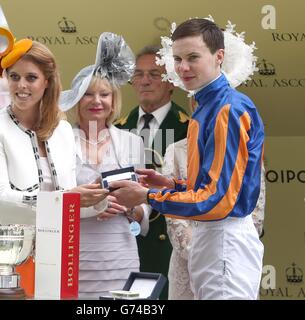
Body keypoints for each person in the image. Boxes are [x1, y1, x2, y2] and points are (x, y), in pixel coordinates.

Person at [110, 18, 265, 300]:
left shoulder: (226, 109)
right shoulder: (208, 107)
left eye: (193, 57)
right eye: (178, 58)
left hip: (224, 236)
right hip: (213, 236)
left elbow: (218, 200)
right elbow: (211, 185)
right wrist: (168, 184)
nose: (183, 67)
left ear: (219, 56)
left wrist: (148, 195)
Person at [0, 27, 108, 296]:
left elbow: (69, 205)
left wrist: (98, 198)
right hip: (3, 265)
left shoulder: (63, 130)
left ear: (47, 82)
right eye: (14, 77)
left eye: (31, 77)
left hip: (59, 259)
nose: (21, 85)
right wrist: (67, 198)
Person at [60, 32, 150, 299]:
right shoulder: (59, 141)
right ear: (76, 100)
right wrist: (88, 201)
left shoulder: (132, 142)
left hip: (121, 254)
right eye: (87, 94)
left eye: (104, 94)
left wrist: (133, 209)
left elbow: (145, 201)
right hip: (75, 255)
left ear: (113, 102)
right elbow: (52, 198)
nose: (96, 101)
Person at [115, 45, 189, 299]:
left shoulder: (190, 129)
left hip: (167, 243)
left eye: (154, 74)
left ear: (171, 82)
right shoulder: (116, 129)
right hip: (124, 241)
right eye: (138, 74)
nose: (145, 80)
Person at [163, 138, 266, 299]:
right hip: (188, 261)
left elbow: (255, 211)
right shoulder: (176, 150)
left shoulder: (247, 149)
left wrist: (221, 249)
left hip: (236, 256)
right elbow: (173, 212)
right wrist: (199, 252)